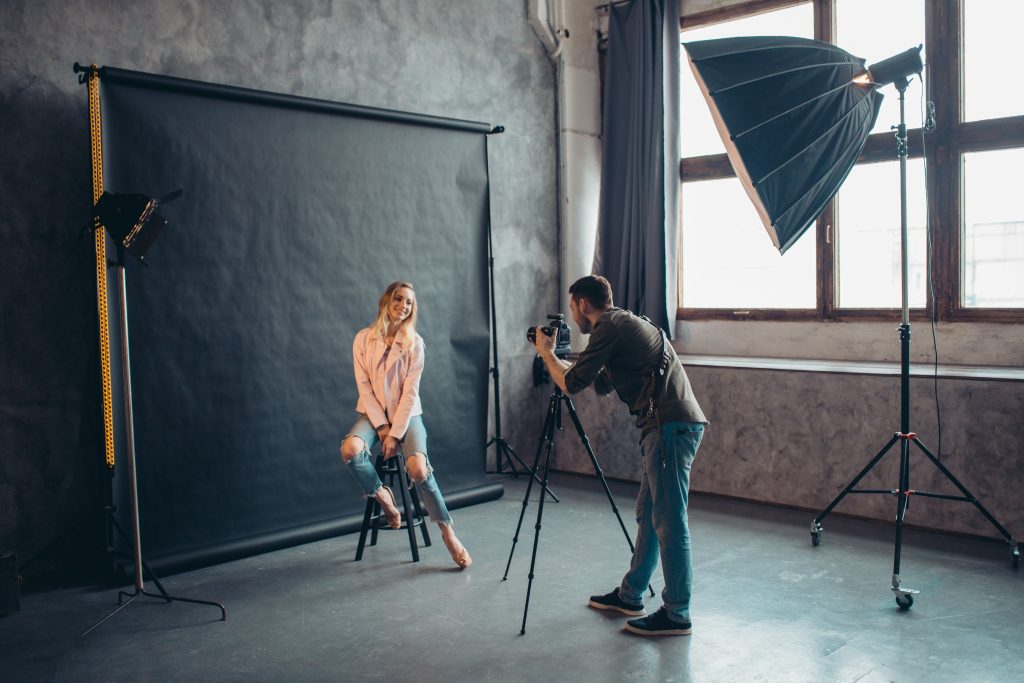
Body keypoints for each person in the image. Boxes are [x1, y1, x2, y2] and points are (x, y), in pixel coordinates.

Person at [532, 275, 707, 636]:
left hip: (670, 428)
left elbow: (571, 384)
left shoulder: (610, 326)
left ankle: (677, 614)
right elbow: (598, 383)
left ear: (583, 304)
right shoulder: (623, 324)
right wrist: (563, 359)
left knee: (670, 522)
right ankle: (630, 596)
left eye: (572, 307)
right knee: (649, 515)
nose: (572, 316)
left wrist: (547, 354)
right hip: (666, 427)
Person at [340, 281, 471, 569]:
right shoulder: (363, 339)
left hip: (408, 415)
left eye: (409, 302)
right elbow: (364, 388)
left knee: (418, 470)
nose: (403, 306)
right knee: (350, 450)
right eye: (398, 299)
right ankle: (383, 496)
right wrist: (382, 427)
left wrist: (395, 433)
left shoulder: (415, 343)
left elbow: (410, 394)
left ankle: (448, 532)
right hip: (373, 414)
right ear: (387, 301)